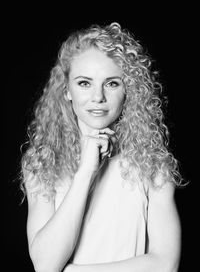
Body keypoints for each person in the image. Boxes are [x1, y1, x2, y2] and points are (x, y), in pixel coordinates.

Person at [20, 22, 183, 272]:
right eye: (85, 83)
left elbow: (166, 264)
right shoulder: (41, 162)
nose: (98, 97)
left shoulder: (153, 162)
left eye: (112, 83)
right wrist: (85, 171)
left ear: (128, 90)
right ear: (67, 91)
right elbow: (44, 264)